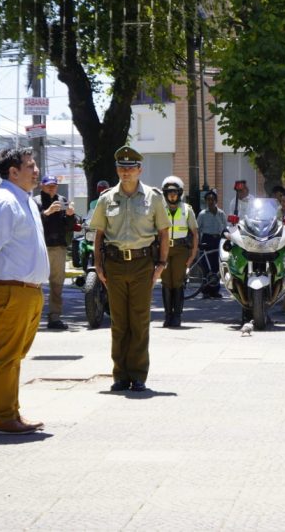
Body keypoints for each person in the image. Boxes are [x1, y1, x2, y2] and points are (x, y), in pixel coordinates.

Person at [0, 147, 49, 435]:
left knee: (14, 355)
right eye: (30, 166)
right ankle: (4, 417)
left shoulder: (23, 200)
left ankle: (10, 412)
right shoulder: (5, 201)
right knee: (6, 356)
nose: (36, 170)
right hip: (10, 290)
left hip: (26, 290)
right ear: (13, 172)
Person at [90, 146, 170, 392]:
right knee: (119, 322)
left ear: (139, 170)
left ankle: (138, 375)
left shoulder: (154, 197)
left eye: (130, 168)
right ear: (117, 170)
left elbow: (164, 232)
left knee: (139, 320)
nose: (126, 172)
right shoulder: (106, 199)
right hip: (114, 263)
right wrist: (98, 266)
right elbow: (99, 235)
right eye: (122, 168)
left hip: (142, 263)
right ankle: (120, 375)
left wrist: (161, 265)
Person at [34, 175, 77, 330]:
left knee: (57, 285)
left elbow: (69, 226)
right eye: (48, 185)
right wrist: (47, 212)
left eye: (54, 185)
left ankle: (55, 317)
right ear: (42, 186)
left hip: (58, 247)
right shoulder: (35, 202)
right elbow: (32, 223)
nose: (51, 188)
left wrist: (71, 216)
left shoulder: (62, 200)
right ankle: (33, 317)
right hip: (41, 247)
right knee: (34, 284)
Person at [159, 175, 198, 327]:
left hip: (181, 249)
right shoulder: (160, 210)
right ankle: (168, 316)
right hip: (164, 249)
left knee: (178, 283)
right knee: (166, 283)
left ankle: (177, 316)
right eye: (169, 192)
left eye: (175, 192)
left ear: (180, 193)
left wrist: (192, 255)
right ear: (165, 194)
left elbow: (195, 233)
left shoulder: (187, 210)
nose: (172, 195)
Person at [196, 190, 227, 298]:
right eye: (208, 200)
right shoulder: (202, 214)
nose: (210, 202)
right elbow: (197, 229)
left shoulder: (221, 213)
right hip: (207, 239)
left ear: (216, 201)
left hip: (218, 240)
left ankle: (215, 290)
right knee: (206, 266)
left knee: (216, 265)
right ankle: (205, 291)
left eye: (212, 199)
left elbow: (225, 228)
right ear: (205, 201)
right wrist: (198, 242)